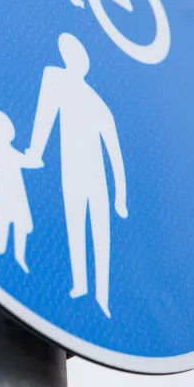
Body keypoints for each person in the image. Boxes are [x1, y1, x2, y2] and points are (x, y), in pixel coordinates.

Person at [25, 33, 127, 318]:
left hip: (97, 177)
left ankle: (103, 296)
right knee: (75, 227)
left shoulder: (98, 103)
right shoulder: (54, 77)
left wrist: (120, 196)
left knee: (100, 232)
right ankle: (81, 286)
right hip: (71, 170)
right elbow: (44, 115)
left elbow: (114, 153)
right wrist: (35, 152)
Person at [0, 110, 44, 273]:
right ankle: (0, 249)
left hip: (18, 193)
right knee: (3, 219)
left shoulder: (11, 150)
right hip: (3, 191)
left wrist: (35, 158)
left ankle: (20, 257)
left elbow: (29, 162)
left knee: (20, 224)